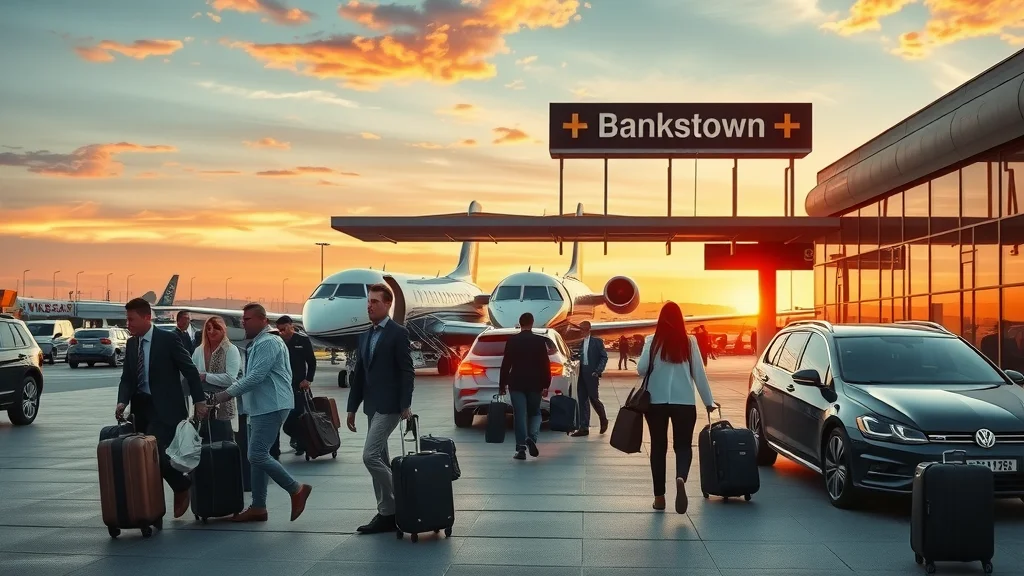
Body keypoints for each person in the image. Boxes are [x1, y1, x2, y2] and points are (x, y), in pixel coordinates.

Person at [211, 303, 312, 523]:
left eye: (247, 319)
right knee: (257, 457)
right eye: (243, 319)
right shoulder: (258, 343)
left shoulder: (268, 342)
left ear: (262, 320)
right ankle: (258, 506)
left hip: (271, 405)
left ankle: (296, 489)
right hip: (258, 406)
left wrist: (224, 395)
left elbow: (256, 376)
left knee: (256, 454)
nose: (242, 323)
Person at [115, 298, 209, 519]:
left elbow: (190, 371)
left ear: (147, 317)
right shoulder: (132, 344)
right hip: (141, 409)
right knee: (143, 459)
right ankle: (152, 508)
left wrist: (199, 400)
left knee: (154, 454)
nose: (128, 324)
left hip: (166, 410)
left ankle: (181, 486)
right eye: (126, 319)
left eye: (131, 319)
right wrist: (122, 401)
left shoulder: (168, 340)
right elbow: (127, 377)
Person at [635, 301, 717, 514]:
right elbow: (699, 373)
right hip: (684, 403)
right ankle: (681, 477)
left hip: (656, 403)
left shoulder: (652, 341)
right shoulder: (689, 342)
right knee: (682, 446)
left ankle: (659, 498)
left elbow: (641, 369)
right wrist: (709, 402)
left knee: (658, 448)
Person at [346, 283, 415, 534]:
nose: (369, 305)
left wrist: (406, 403)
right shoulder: (365, 335)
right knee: (380, 457)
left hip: (390, 406)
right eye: (368, 301)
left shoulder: (398, 333)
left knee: (370, 456)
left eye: (375, 302)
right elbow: (360, 375)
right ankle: (387, 513)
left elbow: (407, 370)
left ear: (387, 304)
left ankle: (407, 498)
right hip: (371, 407)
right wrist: (352, 407)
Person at [499, 312, 550, 460]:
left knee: (519, 415)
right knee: (535, 413)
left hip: (516, 383)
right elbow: (545, 364)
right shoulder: (540, 341)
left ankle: (521, 449)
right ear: (532, 323)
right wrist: (546, 383)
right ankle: (532, 438)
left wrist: (502, 384)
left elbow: (506, 364)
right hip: (535, 383)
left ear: (520, 323)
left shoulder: (512, 341)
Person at [191, 316, 241, 442]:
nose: (211, 331)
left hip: (223, 405)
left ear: (223, 330)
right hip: (202, 405)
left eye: (216, 328)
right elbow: (191, 375)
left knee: (223, 443)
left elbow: (231, 379)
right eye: (208, 328)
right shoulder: (198, 351)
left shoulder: (231, 349)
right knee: (203, 444)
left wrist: (205, 376)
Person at [276, 315, 316, 456]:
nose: (282, 333)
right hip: (281, 386)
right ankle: (275, 449)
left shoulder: (302, 340)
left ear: (291, 326)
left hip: (298, 386)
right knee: (280, 418)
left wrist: (308, 379)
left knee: (296, 417)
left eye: (284, 329)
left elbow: (312, 362)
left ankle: (301, 443)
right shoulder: (276, 341)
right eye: (279, 330)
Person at [572, 321, 608, 436]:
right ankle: (584, 428)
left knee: (594, 399)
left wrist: (598, 371)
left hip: (592, 374)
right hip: (582, 374)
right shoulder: (581, 343)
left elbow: (604, 357)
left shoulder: (597, 342)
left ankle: (603, 419)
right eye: (581, 329)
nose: (581, 331)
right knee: (582, 400)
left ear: (588, 329)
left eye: (583, 329)